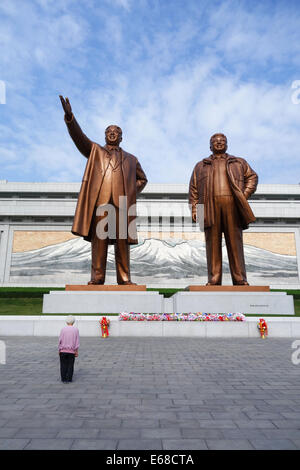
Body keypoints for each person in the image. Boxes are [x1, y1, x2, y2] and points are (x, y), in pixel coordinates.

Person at [59, 96, 148, 285]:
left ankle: (124, 279)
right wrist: (70, 118)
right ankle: (97, 277)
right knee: (99, 242)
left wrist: (131, 190)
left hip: (123, 204)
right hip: (101, 203)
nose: (112, 133)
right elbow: (79, 138)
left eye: (116, 131)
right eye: (109, 131)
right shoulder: (95, 151)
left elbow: (143, 179)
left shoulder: (131, 159)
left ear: (122, 137)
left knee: (122, 243)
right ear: (105, 135)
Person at [189, 133, 258, 285]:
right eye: (215, 141)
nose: (219, 143)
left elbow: (252, 177)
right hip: (209, 208)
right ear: (210, 145)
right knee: (212, 244)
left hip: (232, 207)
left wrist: (243, 195)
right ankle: (214, 279)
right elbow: (193, 190)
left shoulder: (238, 162)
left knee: (235, 243)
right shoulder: (201, 165)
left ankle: (240, 278)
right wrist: (195, 210)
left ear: (227, 144)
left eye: (222, 141)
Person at [58, 315, 79, 383]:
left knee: (63, 365)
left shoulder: (63, 329)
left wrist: (59, 349)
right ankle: (69, 378)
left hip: (63, 350)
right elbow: (77, 341)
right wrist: (76, 351)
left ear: (66, 321)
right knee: (70, 365)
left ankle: (63, 378)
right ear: (73, 322)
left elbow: (60, 340)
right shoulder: (76, 330)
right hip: (72, 351)